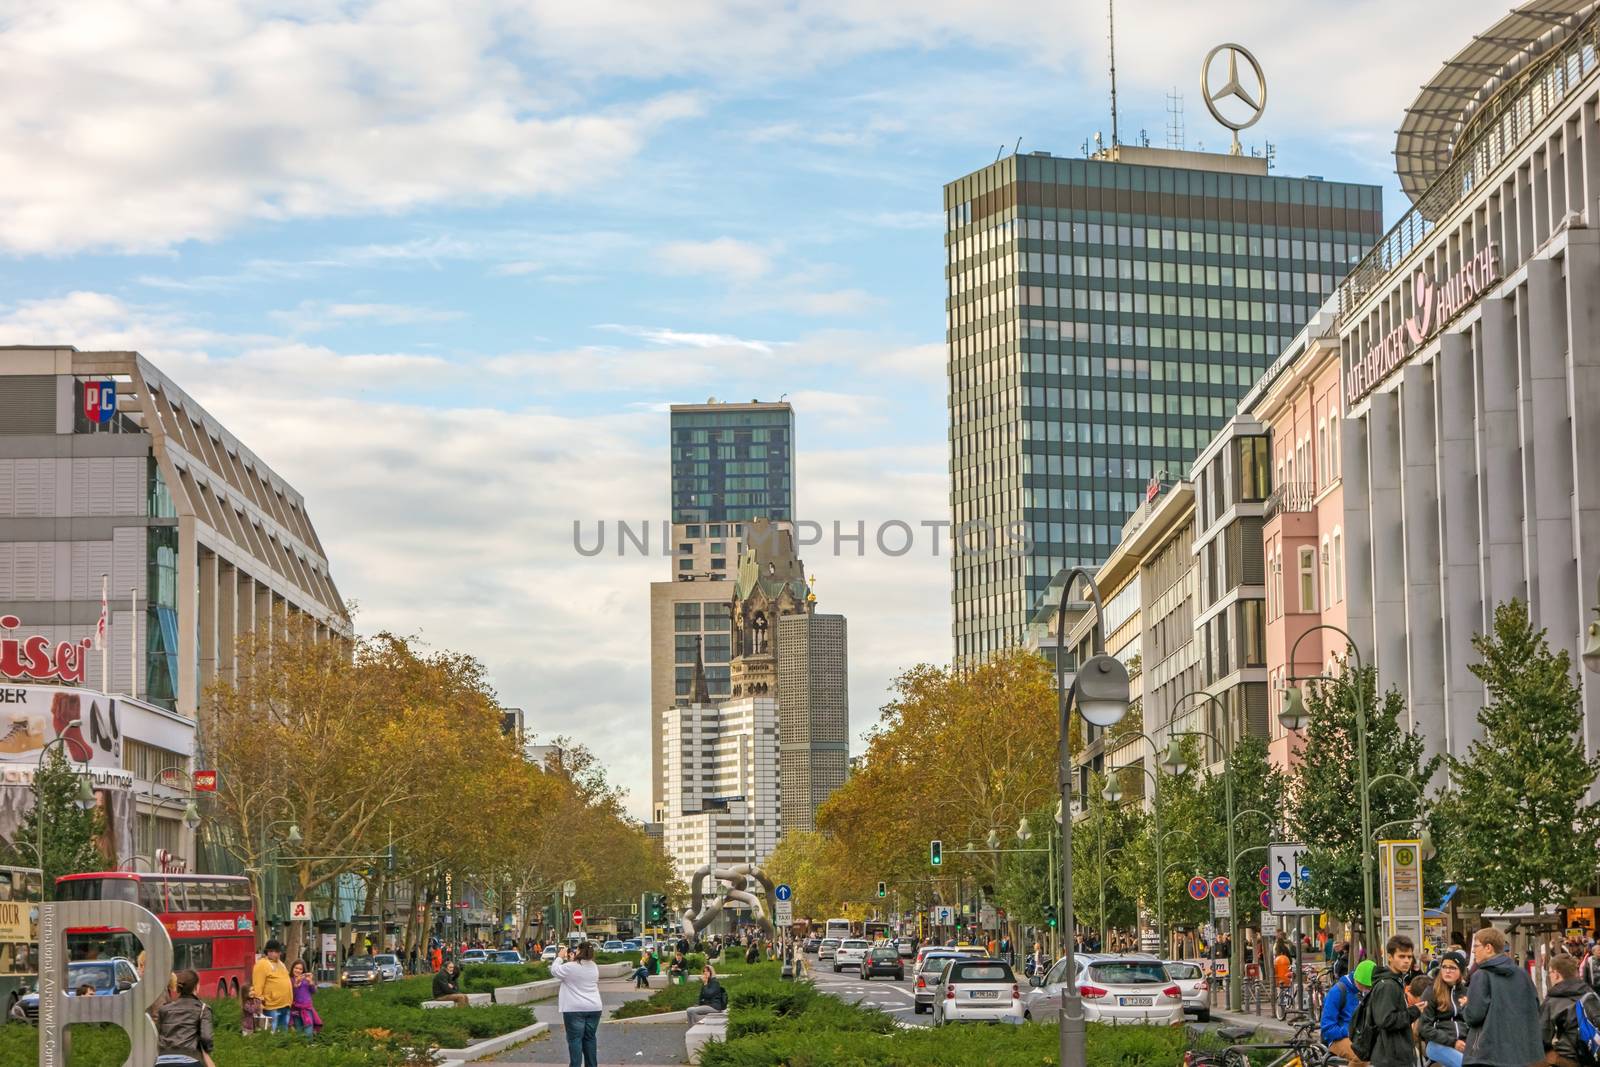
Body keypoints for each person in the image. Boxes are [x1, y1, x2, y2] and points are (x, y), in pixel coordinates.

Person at [1462, 927, 1543, 1066]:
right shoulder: (1522, 974)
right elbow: (1534, 1007)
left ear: (1488, 947)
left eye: (1475, 946)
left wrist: (1466, 1007)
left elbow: (1474, 1016)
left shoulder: (1481, 975)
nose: (1474, 951)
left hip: (1488, 1054)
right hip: (1520, 1053)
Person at [1364, 935, 1421, 1067]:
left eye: (1409, 957)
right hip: (1390, 1056)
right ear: (1390, 957)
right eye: (1401, 956)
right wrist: (1414, 1011)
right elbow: (1385, 1020)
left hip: (1394, 1054)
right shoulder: (1388, 985)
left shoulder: (1396, 981)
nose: (1407, 961)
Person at [551, 942, 602, 1067]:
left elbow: (555, 971)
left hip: (574, 1009)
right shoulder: (593, 966)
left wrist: (560, 957)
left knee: (575, 1040)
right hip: (594, 1008)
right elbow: (579, 970)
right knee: (590, 1038)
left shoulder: (570, 967)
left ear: (579, 951)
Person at [1539, 953, 1594, 1067]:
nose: (1550, 976)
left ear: (1556, 974)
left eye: (1550, 972)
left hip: (1568, 1059)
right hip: (1593, 1054)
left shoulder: (1553, 1000)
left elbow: (1541, 1037)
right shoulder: (1590, 993)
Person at [155, 969, 215, 1067]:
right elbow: (206, 1038)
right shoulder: (203, 1009)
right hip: (189, 1060)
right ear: (196, 987)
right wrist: (206, 1050)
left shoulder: (164, 1009)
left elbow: (157, 1034)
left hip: (162, 1061)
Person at [1420, 950, 1470, 1067]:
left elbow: (1473, 1021)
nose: (1447, 971)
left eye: (1453, 968)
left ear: (1461, 971)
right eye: (1444, 967)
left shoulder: (1467, 992)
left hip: (1464, 1044)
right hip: (1437, 1045)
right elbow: (1424, 1027)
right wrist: (1453, 1042)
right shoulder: (1431, 992)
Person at [1321, 958, 1374, 1062]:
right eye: (1365, 986)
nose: (1367, 990)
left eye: (1369, 987)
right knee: (1360, 1056)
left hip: (1361, 1037)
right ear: (1357, 979)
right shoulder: (1337, 992)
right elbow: (1327, 1028)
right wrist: (1349, 1031)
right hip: (1338, 1038)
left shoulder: (1364, 991)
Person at [250, 939, 293, 1033]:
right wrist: (258, 1003)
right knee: (272, 1033)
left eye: (276, 951)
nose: (274, 954)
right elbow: (258, 985)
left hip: (285, 1005)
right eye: (271, 951)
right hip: (272, 1006)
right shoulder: (262, 964)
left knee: (283, 1033)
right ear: (267, 952)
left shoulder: (281, 964)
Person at [287, 959, 320, 1037]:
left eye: (300, 969)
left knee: (308, 1029)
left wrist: (311, 982)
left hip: (307, 1008)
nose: (298, 970)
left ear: (303, 970)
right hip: (295, 1009)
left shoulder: (306, 980)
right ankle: (301, 1046)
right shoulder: (289, 980)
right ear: (292, 968)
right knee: (299, 1029)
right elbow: (290, 995)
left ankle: (309, 1045)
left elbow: (314, 991)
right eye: (296, 968)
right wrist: (295, 985)